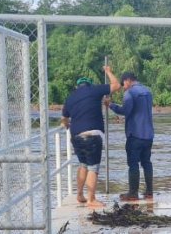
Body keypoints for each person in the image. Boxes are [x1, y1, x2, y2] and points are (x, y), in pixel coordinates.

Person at [61, 65, 120, 208]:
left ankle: (80, 194)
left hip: (76, 136)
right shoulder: (95, 90)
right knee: (93, 167)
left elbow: (64, 120)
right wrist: (108, 71)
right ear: (89, 84)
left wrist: (68, 125)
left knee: (83, 165)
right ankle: (91, 199)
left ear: (77, 87)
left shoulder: (70, 98)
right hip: (92, 135)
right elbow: (117, 85)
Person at [104, 72, 155, 201]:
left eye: (123, 84)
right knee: (147, 162)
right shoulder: (147, 91)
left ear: (127, 81)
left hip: (135, 134)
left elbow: (125, 111)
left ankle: (133, 193)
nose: (123, 87)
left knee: (133, 164)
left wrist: (110, 105)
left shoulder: (130, 93)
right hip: (148, 134)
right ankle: (149, 191)